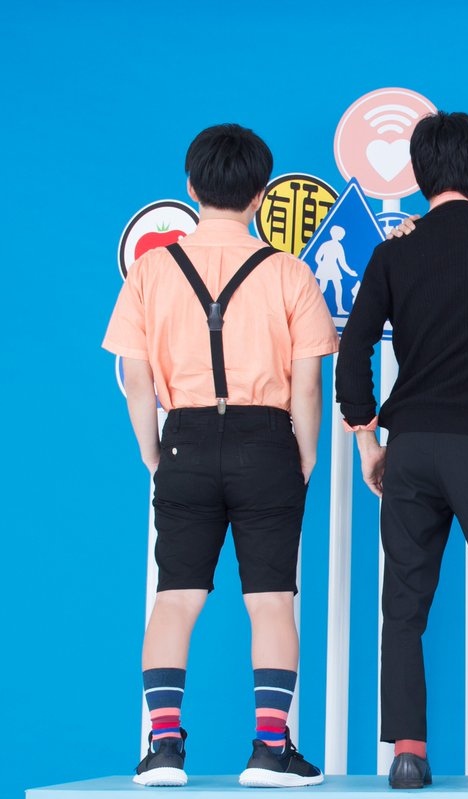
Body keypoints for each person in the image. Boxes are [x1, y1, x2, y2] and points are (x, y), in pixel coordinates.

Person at [102, 124, 337, 788]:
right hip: (269, 441)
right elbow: (308, 384)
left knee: (175, 597)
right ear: (261, 194)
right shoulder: (289, 271)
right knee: (271, 602)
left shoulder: (151, 271)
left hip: (184, 438)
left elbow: (138, 378)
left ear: (190, 186)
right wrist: (305, 455)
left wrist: (155, 452)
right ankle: (270, 750)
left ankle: (163, 747)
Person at [336, 111, 468, 790]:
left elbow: (353, 349)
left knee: (403, 605)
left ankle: (408, 754)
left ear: (417, 175)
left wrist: (367, 440)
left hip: (411, 445)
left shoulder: (393, 252)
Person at [313, 225, 357, 315]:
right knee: (322, 289)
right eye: (341, 234)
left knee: (338, 288)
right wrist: (322, 265)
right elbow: (318, 257)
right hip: (326, 269)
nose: (342, 236)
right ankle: (311, 307)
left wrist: (350, 272)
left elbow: (342, 263)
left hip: (333, 269)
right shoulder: (330, 245)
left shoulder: (336, 246)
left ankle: (340, 309)